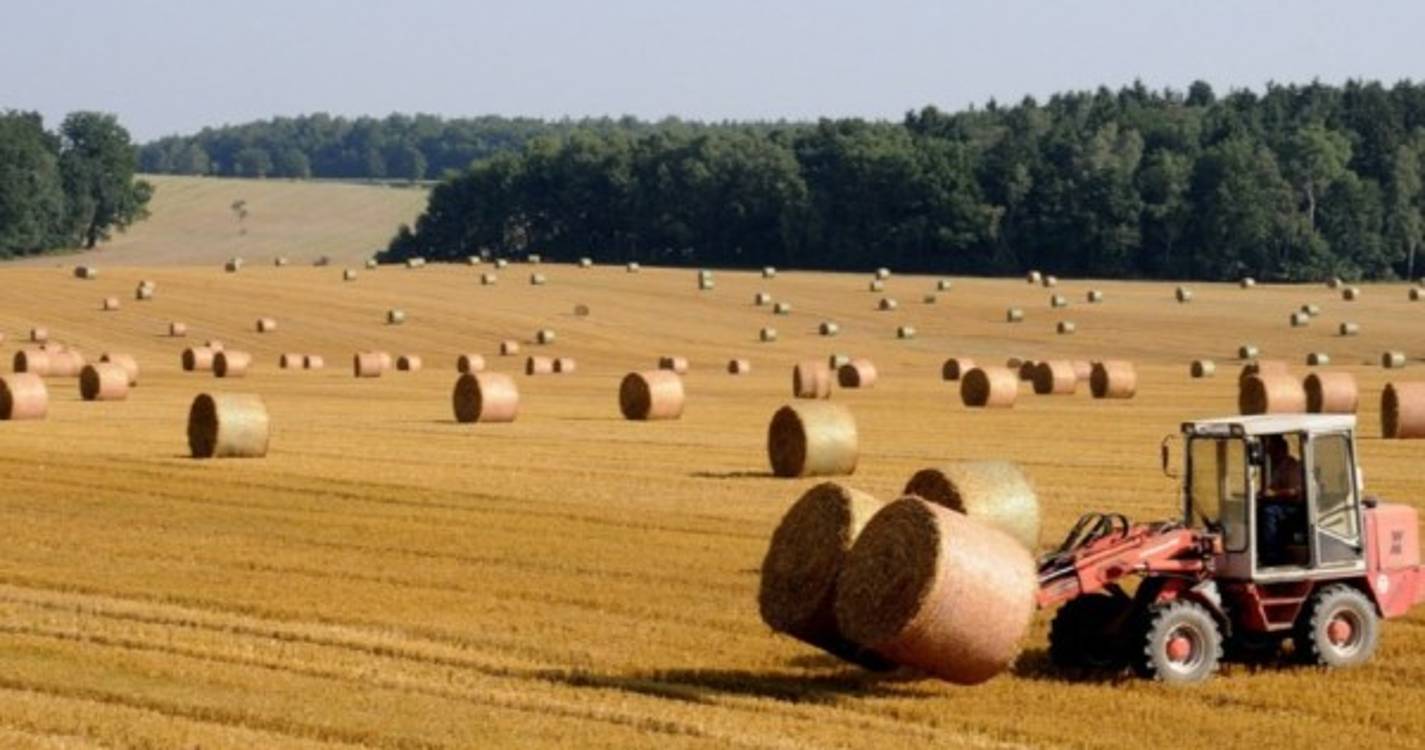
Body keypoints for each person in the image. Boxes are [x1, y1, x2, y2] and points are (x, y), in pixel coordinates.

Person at [1259, 435, 1305, 565]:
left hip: (1295, 508)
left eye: (1271, 449)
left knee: (1269, 512)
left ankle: (1272, 556)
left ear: (1281, 449)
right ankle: (1260, 552)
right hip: (1280, 505)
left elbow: (1296, 491)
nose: (1269, 453)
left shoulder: (1292, 466)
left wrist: (1274, 494)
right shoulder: (1273, 467)